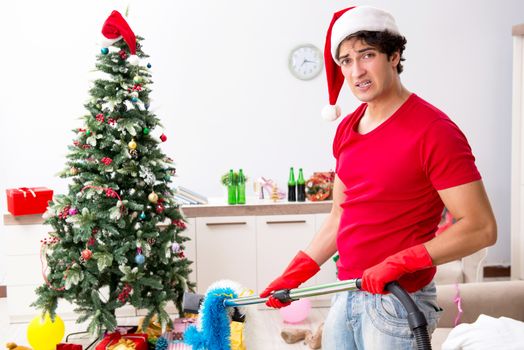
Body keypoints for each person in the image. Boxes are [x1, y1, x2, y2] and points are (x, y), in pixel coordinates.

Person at [260, 5, 497, 349]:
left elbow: (481, 227)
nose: (356, 71)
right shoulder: (347, 128)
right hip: (345, 294)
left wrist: (401, 262)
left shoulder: (434, 131)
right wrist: (296, 272)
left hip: (399, 303)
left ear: (394, 55)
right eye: (346, 61)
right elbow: (340, 216)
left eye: (366, 55)